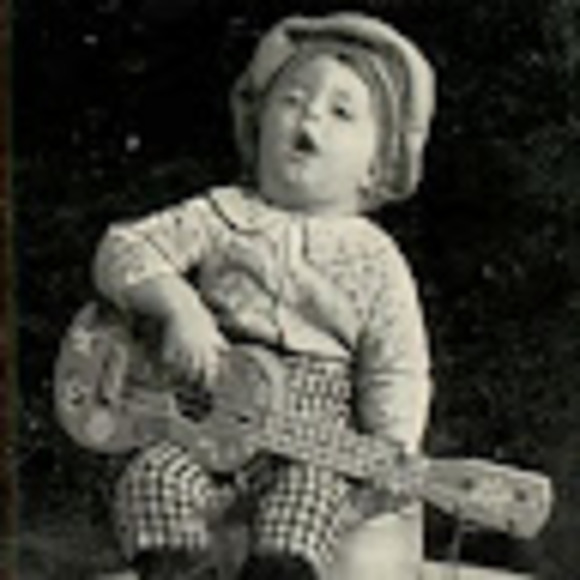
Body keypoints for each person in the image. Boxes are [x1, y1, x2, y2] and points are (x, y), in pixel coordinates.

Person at [92, 12, 436, 580]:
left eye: (341, 112)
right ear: (258, 126)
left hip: (309, 448)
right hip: (201, 426)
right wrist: (180, 308)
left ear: (378, 162)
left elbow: (396, 366)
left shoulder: (375, 258)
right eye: (291, 100)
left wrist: (391, 449)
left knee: (306, 503)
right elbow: (123, 248)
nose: (310, 116)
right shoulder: (221, 214)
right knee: (151, 478)